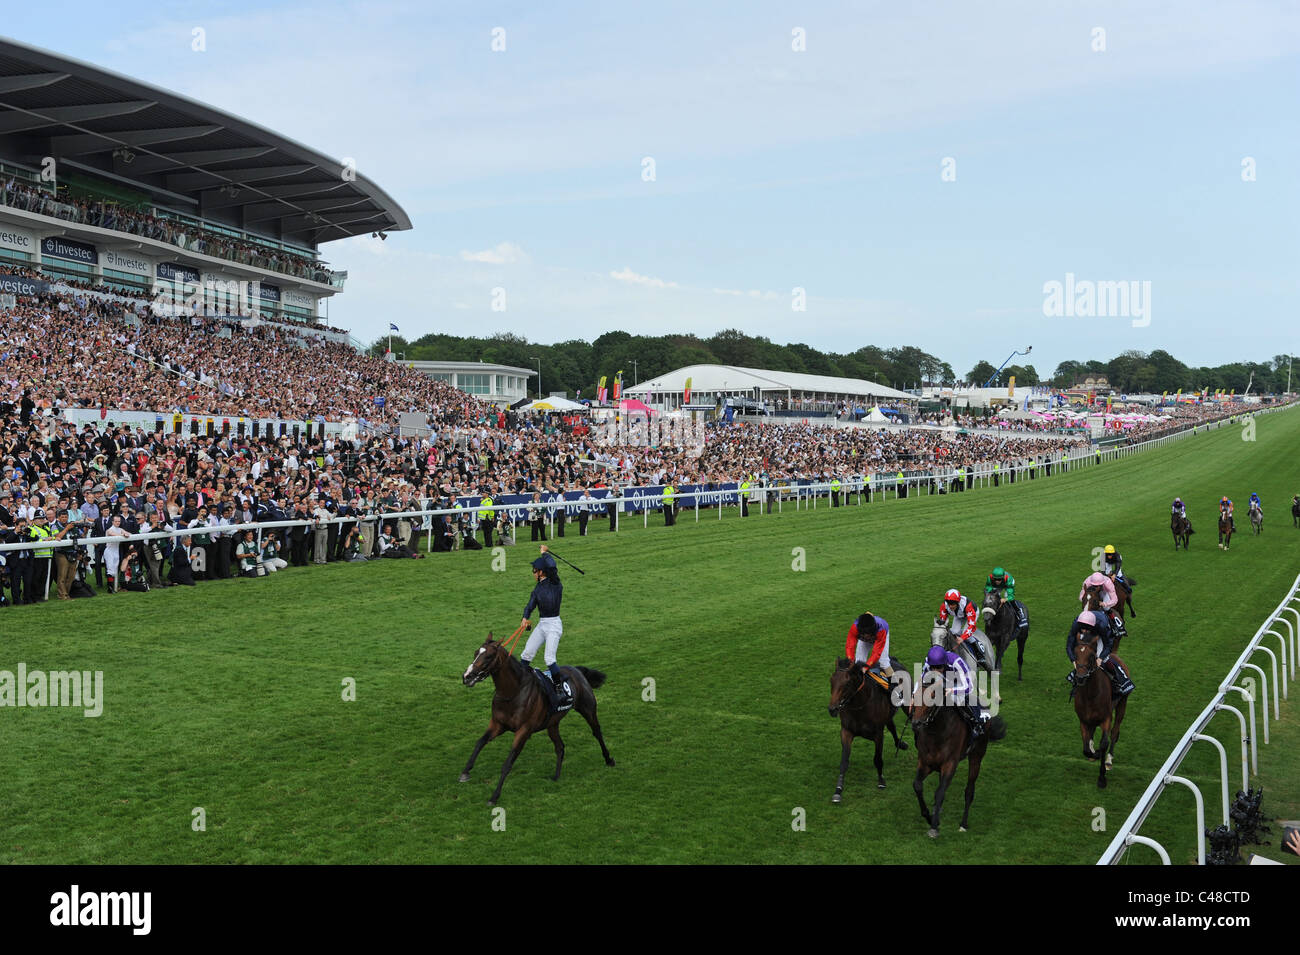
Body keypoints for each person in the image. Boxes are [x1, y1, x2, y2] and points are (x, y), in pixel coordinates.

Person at [519, 545, 568, 705]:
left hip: (554, 625)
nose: (532, 573)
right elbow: (530, 606)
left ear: (541, 572)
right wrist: (525, 617)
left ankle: (560, 689)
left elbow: (553, 566)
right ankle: (519, 683)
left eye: (534, 570)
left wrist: (544, 553)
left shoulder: (555, 582)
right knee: (526, 653)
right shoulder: (537, 589)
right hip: (542, 624)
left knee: (549, 658)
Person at [922, 645, 988, 738]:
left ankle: (976, 722)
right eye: (933, 667)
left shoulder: (957, 662)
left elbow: (969, 687)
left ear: (945, 663)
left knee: (958, 699)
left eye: (939, 667)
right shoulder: (928, 663)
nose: (935, 671)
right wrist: (913, 696)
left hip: (963, 681)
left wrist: (953, 690)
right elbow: (922, 682)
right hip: (945, 679)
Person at [1066, 610, 1133, 696]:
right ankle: (1077, 683)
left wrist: (1100, 658)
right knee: (1082, 655)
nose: (1084, 631)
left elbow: (1108, 644)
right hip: (1092, 625)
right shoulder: (1076, 624)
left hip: (1101, 631)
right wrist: (1073, 660)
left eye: (1086, 629)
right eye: (1082, 629)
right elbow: (1069, 646)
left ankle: (1117, 681)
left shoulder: (1102, 625)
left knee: (1104, 659)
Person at [938, 588, 990, 670]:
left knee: (967, 635)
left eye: (953, 604)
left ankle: (980, 655)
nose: (950, 606)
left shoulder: (968, 606)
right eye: (949, 603)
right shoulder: (944, 606)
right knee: (952, 632)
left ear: (958, 602)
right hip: (959, 615)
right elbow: (943, 622)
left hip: (972, 613)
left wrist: (962, 638)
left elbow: (971, 626)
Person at [844, 612, 894, 680]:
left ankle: (895, 684)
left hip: (880, 637)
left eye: (868, 634)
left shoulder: (881, 630)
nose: (866, 637)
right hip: (866, 637)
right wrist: (851, 662)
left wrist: (866, 667)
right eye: (864, 634)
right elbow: (849, 647)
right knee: (859, 661)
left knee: (883, 662)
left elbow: (876, 653)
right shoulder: (854, 628)